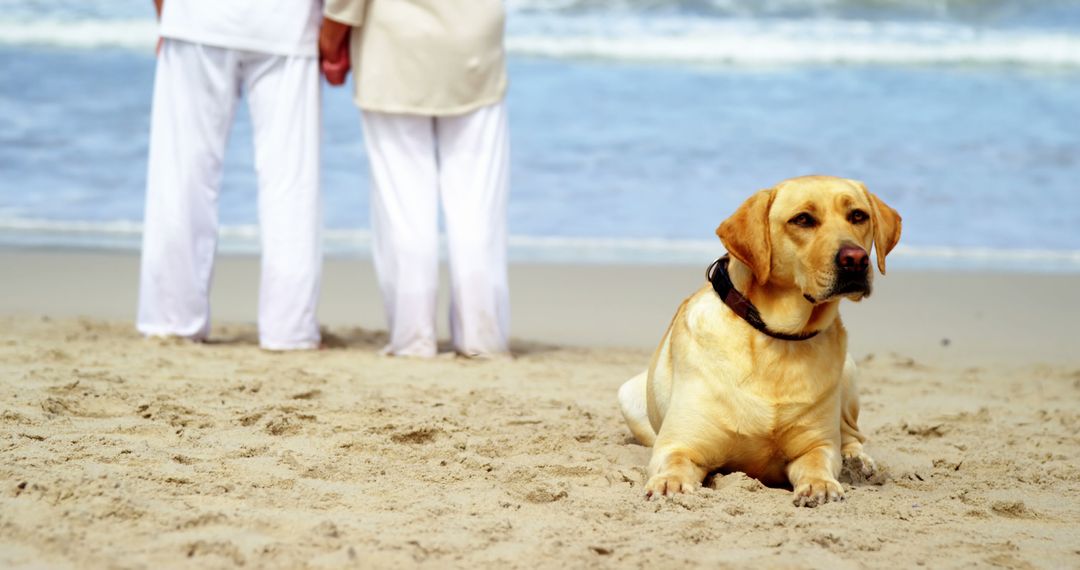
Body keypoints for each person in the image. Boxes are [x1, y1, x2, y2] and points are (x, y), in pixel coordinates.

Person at [320, 0, 511, 358]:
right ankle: (482, 337)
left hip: (395, 38)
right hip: (475, 36)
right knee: (476, 198)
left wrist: (333, 33)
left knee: (403, 198)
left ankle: (413, 336)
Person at [138, 0, 324, 350]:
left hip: (196, 16)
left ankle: (172, 318)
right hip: (287, 20)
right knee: (290, 178)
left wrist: (168, 15)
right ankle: (290, 327)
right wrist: (332, 31)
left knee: (182, 171)